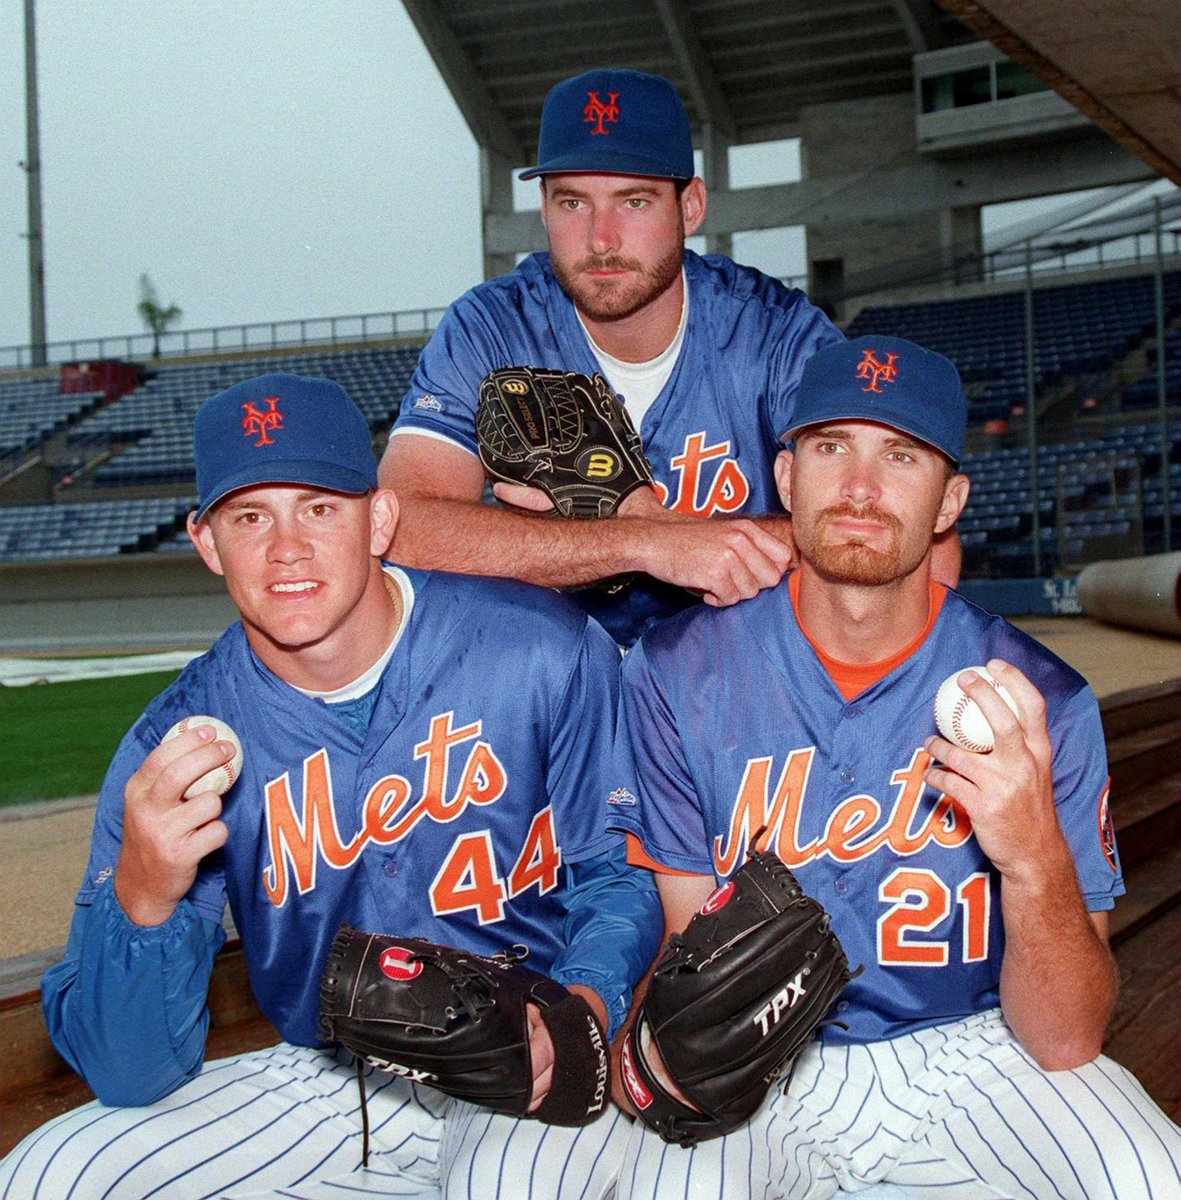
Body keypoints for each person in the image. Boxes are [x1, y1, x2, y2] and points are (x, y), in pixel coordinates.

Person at [0, 373, 661, 1200]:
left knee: (509, 1184)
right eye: (250, 517)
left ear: (379, 519)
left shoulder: (539, 650)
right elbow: (131, 1073)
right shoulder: (179, 739)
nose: (287, 549)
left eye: (319, 507)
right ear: (207, 543)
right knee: (51, 1174)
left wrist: (582, 1005)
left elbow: (618, 871)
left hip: (523, 1061)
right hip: (331, 1082)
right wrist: (142, 898)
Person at [610, 336, 1181, 1199]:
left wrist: (1030, 857)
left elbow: (1065, 1039)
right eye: (831, 447)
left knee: (1143, 1172)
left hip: (978, 1045)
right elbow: (688, 941)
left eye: (901, 455)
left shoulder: (1041, 698)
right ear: (787, 476)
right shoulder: (676, 672)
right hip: (763, 1053)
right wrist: (647, 1035)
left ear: (949, 500)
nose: (860, 488)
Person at [380, 67, 856, 647]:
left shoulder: (774, 333)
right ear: (544, 208)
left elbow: (894, 539)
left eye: (634, 200)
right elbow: (401, 526)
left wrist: (581, 541)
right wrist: (643, 537)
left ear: (691, 207)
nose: (601, 238)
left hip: (736, 678)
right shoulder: (491, 328)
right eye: (574, 203)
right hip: (553, 682)